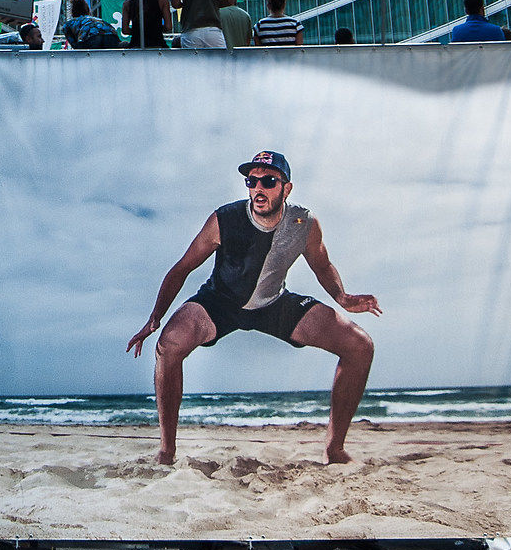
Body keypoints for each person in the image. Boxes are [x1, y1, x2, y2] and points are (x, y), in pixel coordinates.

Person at [127, 145, 380, 468]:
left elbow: (322, 265)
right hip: (219, 302)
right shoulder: (224, 219)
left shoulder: (303, 222)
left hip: (273, 304)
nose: (258, 188)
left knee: (360, 345)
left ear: (286, 188)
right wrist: (155, 318)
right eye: (252, 181)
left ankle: (335, 449)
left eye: (268, 181)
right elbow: (182, 268)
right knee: (169, 344)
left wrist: (342, 297)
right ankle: (166, 451)